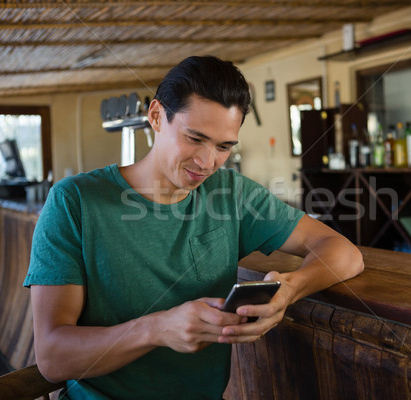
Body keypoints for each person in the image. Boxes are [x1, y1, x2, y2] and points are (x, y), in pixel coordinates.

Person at [24, 55, 363, 399]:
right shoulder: (74, 201)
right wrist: (155, 329)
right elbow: (52, 357)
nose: (206, 162)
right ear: (156, 116)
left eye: (223, 147)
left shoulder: (232, 193)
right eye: (194, 138)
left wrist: (290, 289)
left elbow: (346, 254)